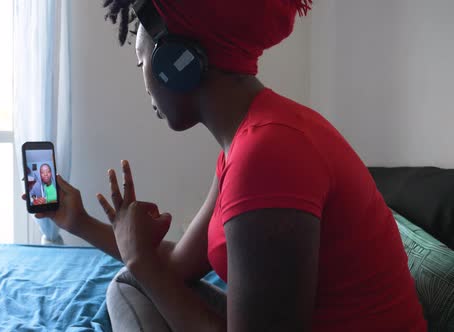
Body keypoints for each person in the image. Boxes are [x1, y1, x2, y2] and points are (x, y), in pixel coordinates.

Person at [27, 0, 427, 330]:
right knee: (130, 285)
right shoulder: (252, 141)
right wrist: (80, 222)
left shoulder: (268, 155)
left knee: (136, 280)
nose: (144, 83)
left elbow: (154, 269)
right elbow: (176, 265)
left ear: (175, 61)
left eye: (141, 64)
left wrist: (142, 261)